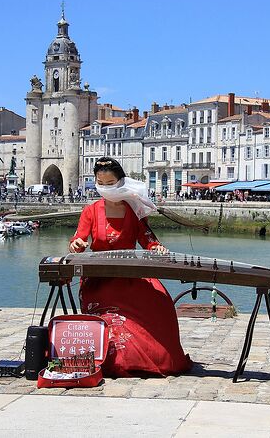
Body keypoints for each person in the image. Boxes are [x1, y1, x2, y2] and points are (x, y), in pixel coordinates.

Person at [69, 157, 191, 378]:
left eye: (110, 183)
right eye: (100, 183)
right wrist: (77, 244)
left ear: (121, 181)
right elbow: (77, 240)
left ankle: (159, 356)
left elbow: (149, 240)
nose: (105, 188)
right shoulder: (91, 210)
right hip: (100, 279)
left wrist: (157, 248)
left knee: (161, 300)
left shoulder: (133, 210)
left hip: (131, 275)